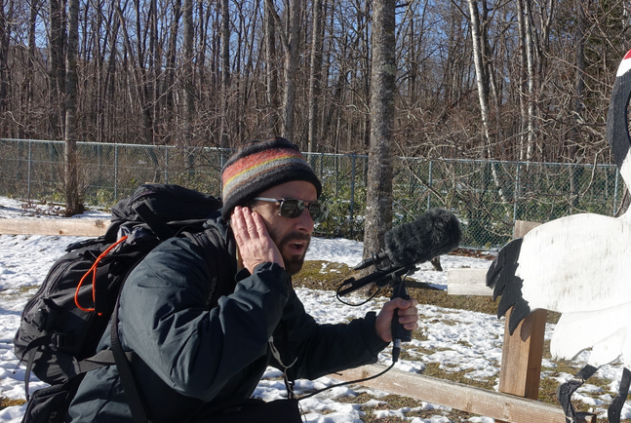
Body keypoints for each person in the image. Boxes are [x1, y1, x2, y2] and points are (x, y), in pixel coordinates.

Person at [67, 137, 418, 422]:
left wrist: (375, 333)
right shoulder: (169, 267)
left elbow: (300, 351)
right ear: (242, 214)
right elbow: (193, 368)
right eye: (291, 206)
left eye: (313, 209)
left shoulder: (259, 273)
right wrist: (264, 281)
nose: (308, 224)